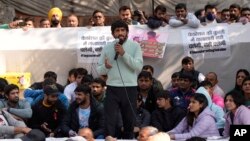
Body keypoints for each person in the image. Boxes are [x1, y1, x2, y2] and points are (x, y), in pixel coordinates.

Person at [97, 20, 143, 139]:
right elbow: (99, 70)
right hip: (112, 88)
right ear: (113, 34)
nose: (120, 33)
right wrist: (106, 67)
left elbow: (138, 66)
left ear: (127, 32)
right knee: (110, 119)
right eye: (117, 30)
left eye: (123, 30)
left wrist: (124, 54)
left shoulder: (135, 46)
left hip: (130, 87)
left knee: (129, 120)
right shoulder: (107, 47)